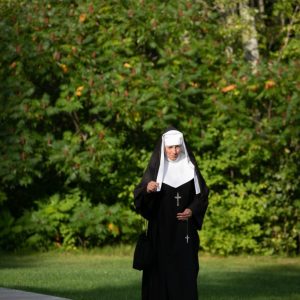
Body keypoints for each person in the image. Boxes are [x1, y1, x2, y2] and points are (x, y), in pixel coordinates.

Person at [134, 126, 209, 300]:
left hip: (184, 233)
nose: (174, 151)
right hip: (160, 233)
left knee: (185, 271)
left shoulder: (190, 169)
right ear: (163, 147)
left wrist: (192, 209)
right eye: (170, 147)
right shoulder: (155, 171)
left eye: (177, 147)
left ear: (182, 146)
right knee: (159, 273)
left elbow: (202, 196)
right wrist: (147, 189)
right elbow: (139, 199)